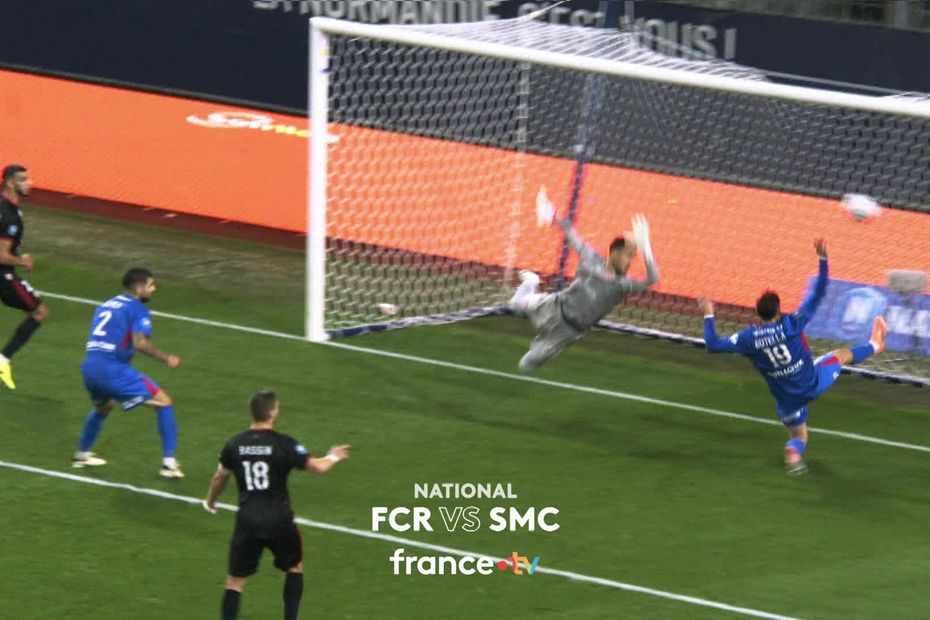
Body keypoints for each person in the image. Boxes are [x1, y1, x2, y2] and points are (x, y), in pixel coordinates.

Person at [700, 239, 888, 474]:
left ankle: (793, 453)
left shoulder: (748, 339)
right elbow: (819, 292)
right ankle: (875, 345)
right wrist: (823, 259)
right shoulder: (792, 324)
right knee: (839, 355)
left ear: (758, 314)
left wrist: (708, 314)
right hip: (813, 382)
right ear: (778, 310)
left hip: (788, 399)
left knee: (799, 435)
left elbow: (713, 345)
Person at [203, 390, 350, 620]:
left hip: (248, 519)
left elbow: (220, 477)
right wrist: (334, 456)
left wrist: (211, 500)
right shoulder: (284, 443)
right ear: (272, 413)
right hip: (279, 518)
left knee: (235, 582)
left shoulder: (234, 444)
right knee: (294, 567)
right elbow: (318, 467)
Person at [509, 207, 659, 372]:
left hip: (567, 332)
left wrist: (646, 249)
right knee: (514, 306)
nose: (630, 261)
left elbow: (653, 278)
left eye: (632, 257)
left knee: (527, 365)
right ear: (615, 253)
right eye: (628, 255)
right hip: (554, 306)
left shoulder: (623, 284)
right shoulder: (591, 258)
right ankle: (531, 283)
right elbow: (570, 233)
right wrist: (551, 214)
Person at [72, 267, 184, 478]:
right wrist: (167, 358)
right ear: (139, 288)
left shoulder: (106, 304)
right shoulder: (137, 309)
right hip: (113, 370)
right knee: (164, 402)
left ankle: (82, 454)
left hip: (90, 367)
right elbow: (140, 344)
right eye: (151, 285)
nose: (154, 289)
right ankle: (169, 464)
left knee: (104, 406)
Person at [0, 164, 50, 389]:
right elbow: (2, 256)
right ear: (10, 182)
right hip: (2, 275)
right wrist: (22, 261)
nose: (29, 183)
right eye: (23, 179)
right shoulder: (10, 215)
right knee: (40, 312)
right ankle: (3, 360)